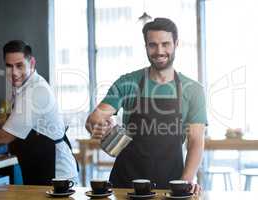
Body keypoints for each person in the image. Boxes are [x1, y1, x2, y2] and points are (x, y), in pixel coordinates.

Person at [85, 18, 207, 193]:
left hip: (170, 184)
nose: (159, 51)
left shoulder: (193, 90)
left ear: (176, 44)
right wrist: (100, 127)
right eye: (152, 45)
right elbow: (94, 119)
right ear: (146, 47)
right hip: (126, 184)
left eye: (165, 44)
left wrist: (185, 181)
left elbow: (195, 141)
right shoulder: (128, 83)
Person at [0, 40, 78, 185]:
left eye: (19, 65)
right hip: (39, 168)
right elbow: (28, 121)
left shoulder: (35, 91)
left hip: (57, 174)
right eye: (9, 66)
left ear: (32, 63)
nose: (14, 72)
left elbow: (4, 137)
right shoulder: (22, 85)